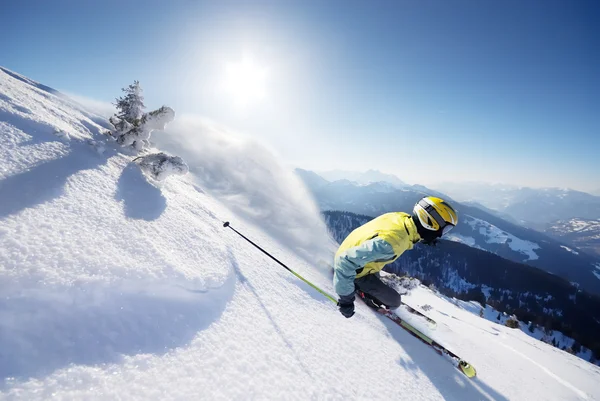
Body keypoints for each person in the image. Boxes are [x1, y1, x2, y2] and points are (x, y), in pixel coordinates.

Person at [333, 196, 458, 318]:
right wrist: (346, 301)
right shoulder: (395, 242)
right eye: (444, 229)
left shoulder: (401, 217)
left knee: (380, 283)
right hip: (352, 268)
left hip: (352, 251)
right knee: (394, 301)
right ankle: (359, 290)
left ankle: (362, 286)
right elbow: (345, 261)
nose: (441, 235)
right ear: (431, 222)